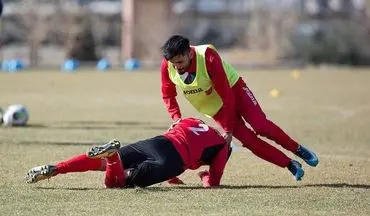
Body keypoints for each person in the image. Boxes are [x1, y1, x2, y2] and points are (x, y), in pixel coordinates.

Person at [160, 35, 319, 181]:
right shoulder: (168, 65)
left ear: (190, 54)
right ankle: (291, 164)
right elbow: (168, 95)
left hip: (235, 90)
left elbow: (227, 95)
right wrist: (177, 119)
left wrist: (228, 130)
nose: (177, 67)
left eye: (180, 62)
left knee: (261, 126)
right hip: (216, 109)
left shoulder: (208, 57)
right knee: (249, 141)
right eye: (174, 64)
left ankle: (298, 149)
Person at [25, 118, 231, 188]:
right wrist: (204, 175)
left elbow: (175, 127)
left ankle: (58, 168)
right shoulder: (222, 147)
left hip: (159, 142)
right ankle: (112, 156)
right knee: (115, 183)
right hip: (173, 161)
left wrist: (171, 176)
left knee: (101, 163)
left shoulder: (195, 121)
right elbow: (212, 183)